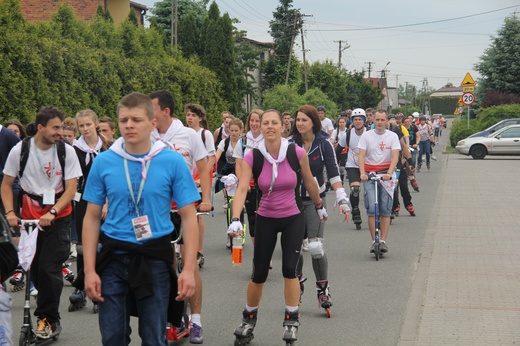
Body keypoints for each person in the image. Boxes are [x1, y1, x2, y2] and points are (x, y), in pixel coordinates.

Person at [81, 92, 199, 346]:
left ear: (152, 123)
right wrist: (89, 270)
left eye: (136, 119)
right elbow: (91, 218)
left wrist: (188, 269)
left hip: (154, 256)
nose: (129, 125)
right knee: (113, 337)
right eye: (123, 120)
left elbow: (189, 217)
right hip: (113, 256)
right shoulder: (104, 162)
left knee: (154, 338)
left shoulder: (172, 161)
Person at [228, 109, 326, 344]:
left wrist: (319, 204)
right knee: (259, 273)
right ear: (260, 127)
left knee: (289, 270)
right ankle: (248, 318)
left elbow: (310, 180)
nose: (270, 126)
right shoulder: (254, 155)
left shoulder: (295, 152)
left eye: (274, 123)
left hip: (293, 217)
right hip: (266, 217)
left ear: (283, 127)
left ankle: (291, 318)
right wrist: (235, 218)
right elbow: (242, 188)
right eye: (266, 123)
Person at [2, 106, 82, 339]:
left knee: (50, 268)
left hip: (59, 216)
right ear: (40, 128)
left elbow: (70, 190)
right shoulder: (21, 149)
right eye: (55, 127)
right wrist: (10, 211)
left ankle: (48, 319)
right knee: (35, 270)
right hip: (29, 218)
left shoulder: (66, 151)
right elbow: (6, 185)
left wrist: (54, 211)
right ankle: (45, 311)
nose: (61, 131)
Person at [149, 90, 211, 344]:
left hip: (185, 208)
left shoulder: (189, 134)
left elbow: (204, 169)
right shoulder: (146, 135)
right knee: (159, 266)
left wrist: (206, 198)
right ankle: (166, 317)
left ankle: (195, 320)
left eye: (151, 109)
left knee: (190, 264)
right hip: (156, 211)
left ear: (165, 111)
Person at [291, 105, 350, 313]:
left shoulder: (323, 144)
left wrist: (342, 199)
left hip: (315, 201)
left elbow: (334, 174)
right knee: (294, 248)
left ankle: (323, 289)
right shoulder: (290, 144)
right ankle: (296, 285)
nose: (299, 123)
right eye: (297, 119)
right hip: (291, 201)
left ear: (314, 123)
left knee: (315, 247)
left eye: (304, 120)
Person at [68, 109, 109, 312]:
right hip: (83, 201)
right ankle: (83, 288)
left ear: (95, 124)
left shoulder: (108, 147)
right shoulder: (74, 149)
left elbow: (114, 175)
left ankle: (100, 285)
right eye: (81, 126)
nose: (85, 129)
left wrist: (107, 202)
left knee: (103, 243)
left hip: (107, 200)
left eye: (88, 125)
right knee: (84, 245)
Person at [358, 109, 400, 254]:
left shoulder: (392, 136)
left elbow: (395, 156)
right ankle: (373, 240)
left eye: (383, 120)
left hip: (386, 175)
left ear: (387, 121)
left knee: (385, 209)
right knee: (371, 208)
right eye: (377, 120)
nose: (380, 123)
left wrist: (389, 172)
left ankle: (382, 240)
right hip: (370, 175)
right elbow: (361, 156)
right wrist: (362, 173)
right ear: (373, 120)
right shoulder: (366, 136)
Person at [185, 103, 216, 268]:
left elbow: (211, 158)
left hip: (200, 180)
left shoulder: (205, 134)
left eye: (193, 115)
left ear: (200, 118)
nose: (189, 118)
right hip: (186, 179)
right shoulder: (183, 134)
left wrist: (200, 177)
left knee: (197, 216)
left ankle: (199, 251)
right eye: (188, 115)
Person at [232, 109, 264, 245]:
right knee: (252, 219)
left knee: (264, 219)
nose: (254, 123)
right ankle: (257, 253)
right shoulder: (243, 141)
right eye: (252, 120)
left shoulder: (267, 139)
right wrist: (242, 182)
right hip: (249, 185)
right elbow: (238, 164)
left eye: (257, 121)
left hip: (265, 184)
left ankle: (265, 252)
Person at [342, 108, 367, 229]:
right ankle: (356, 212)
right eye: (355, 119)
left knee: (371, 191)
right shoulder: (347, 134)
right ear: (352, 120)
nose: (357, 122)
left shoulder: (369, 134)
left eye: (360, 119)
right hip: (352, 165)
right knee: (355, 189)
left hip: (368, 165)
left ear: (364, 121)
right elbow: (337, 149)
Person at [331, 116, 348, 183]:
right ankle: (335, 180)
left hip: (345, 150)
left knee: (342, 167)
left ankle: (341, 180)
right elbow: (332, 139)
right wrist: (332, 142)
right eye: (340, 122)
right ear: (338, 123)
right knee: (335, 166)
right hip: (337, 150)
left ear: (345, 123)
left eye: (343, 122)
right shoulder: (336, 131)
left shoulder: (348, 131)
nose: (341, 124)